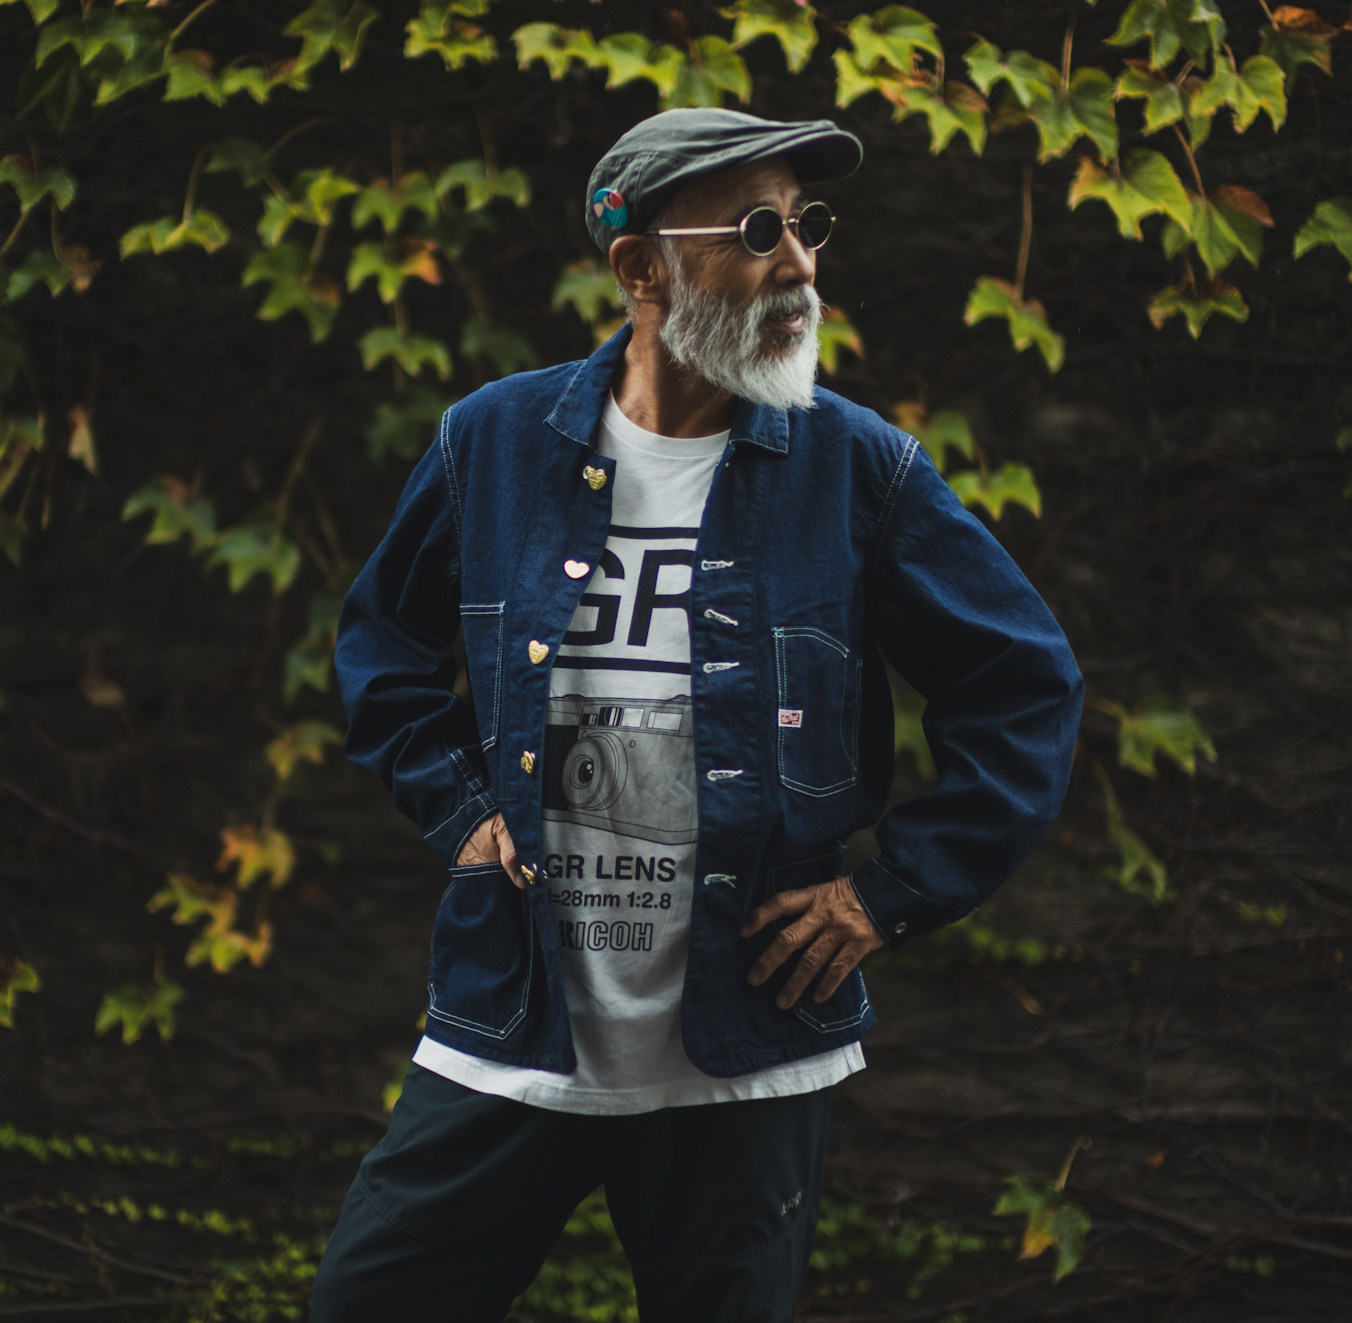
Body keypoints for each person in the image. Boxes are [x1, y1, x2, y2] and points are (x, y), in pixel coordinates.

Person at [315, 107, 1083, 1322]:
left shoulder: (857, 468)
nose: (800, 264)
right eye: (758, 232)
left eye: (807, 226)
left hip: (745, 1051)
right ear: (640, 268)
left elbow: (1022, 684)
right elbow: (380, 649)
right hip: (514, 1024)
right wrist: (460, 811)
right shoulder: (492, 444)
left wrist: (889, 892)